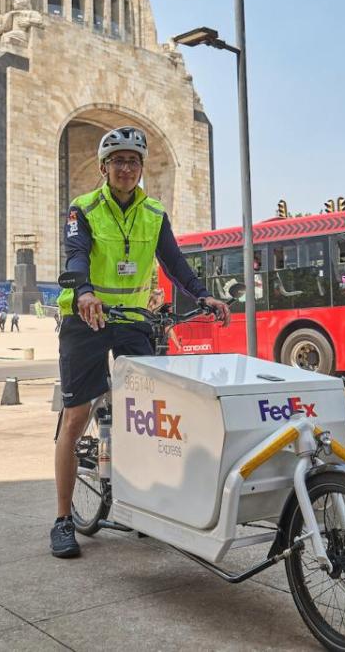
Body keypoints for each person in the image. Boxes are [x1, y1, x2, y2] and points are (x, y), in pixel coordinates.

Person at [52, 126, 231, 558]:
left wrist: (202, 293)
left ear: (141, 168)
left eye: (133, 161)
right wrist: (85, 291)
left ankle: (146, 502)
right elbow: (76, 255)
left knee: (149, 414)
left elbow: (174, 263)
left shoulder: (154, 212)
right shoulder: (84, 208)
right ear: (104, 168)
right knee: (76, 415)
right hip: (86, 318)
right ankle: (61, 520)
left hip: (133, 320)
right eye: (118, 161)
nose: (126, 168)